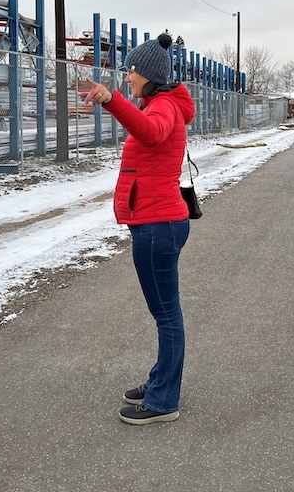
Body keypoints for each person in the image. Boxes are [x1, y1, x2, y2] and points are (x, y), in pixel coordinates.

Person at [81, 32, 196, 425]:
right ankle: (161, 381)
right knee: (165, 312)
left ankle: (164, 401)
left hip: (157, 225)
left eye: (131, 71)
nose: (127, 77)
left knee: (166, 315)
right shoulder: (161, 103)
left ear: (148, 74)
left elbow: (150, 132)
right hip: (157, 221)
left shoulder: (162, 107)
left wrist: (111, 100)